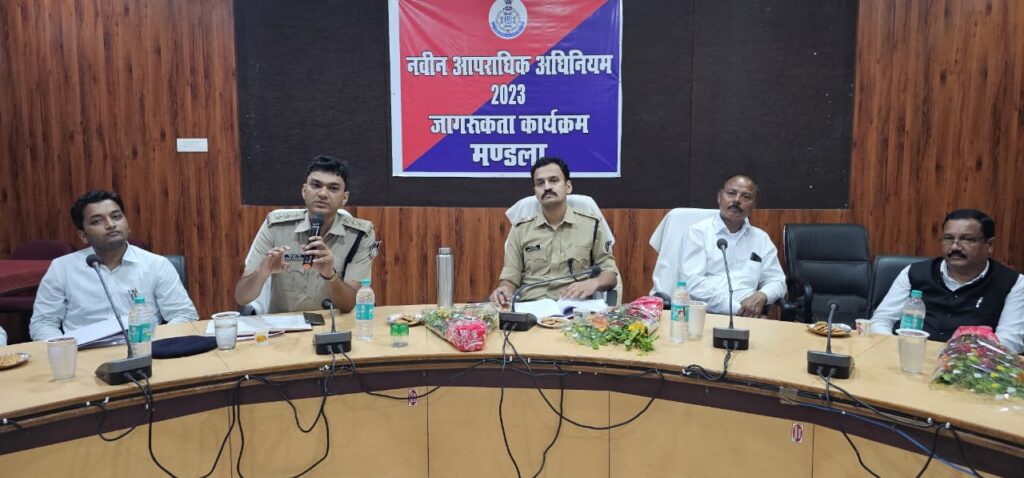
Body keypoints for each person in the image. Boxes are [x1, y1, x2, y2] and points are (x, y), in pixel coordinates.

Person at [30, 190, 199, 340]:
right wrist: (65, 350)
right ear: (83, 236)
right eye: (97, 221)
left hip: (145, 348)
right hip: (83, 354)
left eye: (116, 216)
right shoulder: (62, 268)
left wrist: (155, 342)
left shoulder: (156, 264)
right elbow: (43, 323)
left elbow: (184, 314)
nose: (111, 225)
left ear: (127, 224)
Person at [235, 155, 377, 313]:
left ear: (345, 198)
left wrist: (330, 276)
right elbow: (242, 297)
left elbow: (349, 305)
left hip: (332, 325)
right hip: (284, 325)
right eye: (316, 185)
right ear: (304, 191)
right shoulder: (275, 226)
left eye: (333, 188)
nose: (323, 193)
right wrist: (261, 273)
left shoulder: (361, 234)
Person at [870, 209, 1023, 353]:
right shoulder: (914, 273)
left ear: (989, 245)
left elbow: (1010, 341)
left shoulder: (1013, 283)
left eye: (967, 239)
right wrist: (894, 350)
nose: (955, 247)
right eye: (948, 238)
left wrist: (960, 359)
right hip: (908, 355)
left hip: (970, 365)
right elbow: (881, 321)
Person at [490, 157, 618, 305]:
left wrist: (593, 283)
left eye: (553, 180)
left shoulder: (591, 225)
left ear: (568, 186)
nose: (547, 187)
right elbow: (510, 277)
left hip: (575, 309)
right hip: (530, 308)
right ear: (535, 192)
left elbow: (610, 274)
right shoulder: (520, 229)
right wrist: (504, 290)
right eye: (540, 183)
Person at [680, 174, 785, 316]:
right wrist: (737, 309)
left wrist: (762, 295)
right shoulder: (698, 233)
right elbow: (693, 284)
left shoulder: (761, 239)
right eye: (731, 193)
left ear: (754, 205)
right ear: (719, 197)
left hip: (750, 316)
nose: (737, 200)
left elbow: (777, 281)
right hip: (707, 315)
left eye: (746, 196)